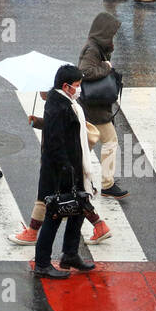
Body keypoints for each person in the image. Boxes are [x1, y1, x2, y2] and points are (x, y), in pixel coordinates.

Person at [32, 64, 98, 277]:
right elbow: (54, 142)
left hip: (73, 169)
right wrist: (67, 170)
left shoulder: (67, 102)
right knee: (54, 215)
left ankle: (70, 254)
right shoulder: (58, 106)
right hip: (59, 173)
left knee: (78, 210)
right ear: (66, 86)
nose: (79, 89)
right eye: (77, 85)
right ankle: (42, 263)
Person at [77, 13, 129, 198]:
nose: (113, 38)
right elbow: (85, 71)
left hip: (94, 105)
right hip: (94, 107)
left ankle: (78, 181)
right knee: (110, 141)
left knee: (87, 144)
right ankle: (107, 184)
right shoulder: (92, 49)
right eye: (111, 34)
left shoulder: (98, 47)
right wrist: (106, 67)